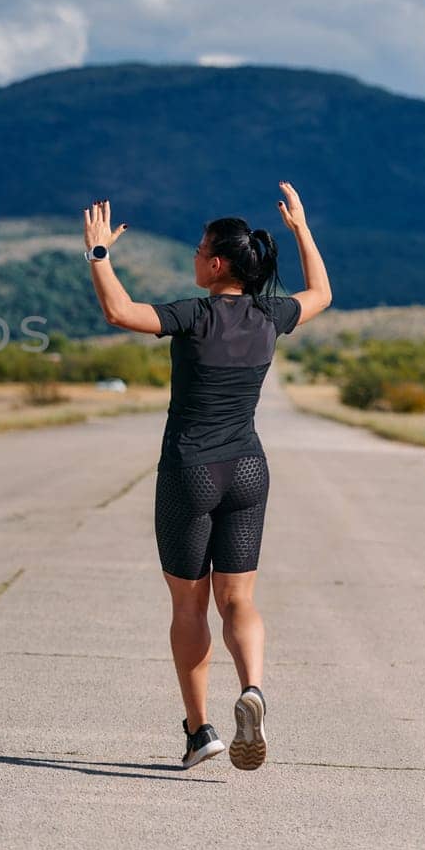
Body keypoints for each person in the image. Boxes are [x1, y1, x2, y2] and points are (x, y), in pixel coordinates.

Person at [83, 182, 331, 770]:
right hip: (247, 469)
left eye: (198, 250)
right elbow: (321, 291)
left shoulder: (192, 316)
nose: (194, 257)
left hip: (190, 473)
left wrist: (98, 255)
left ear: (217, 264)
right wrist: (300, 228)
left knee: (189, 608)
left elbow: (119, 311)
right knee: (238, 599)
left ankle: (200, 733)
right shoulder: (271, 315)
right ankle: (253, 687)